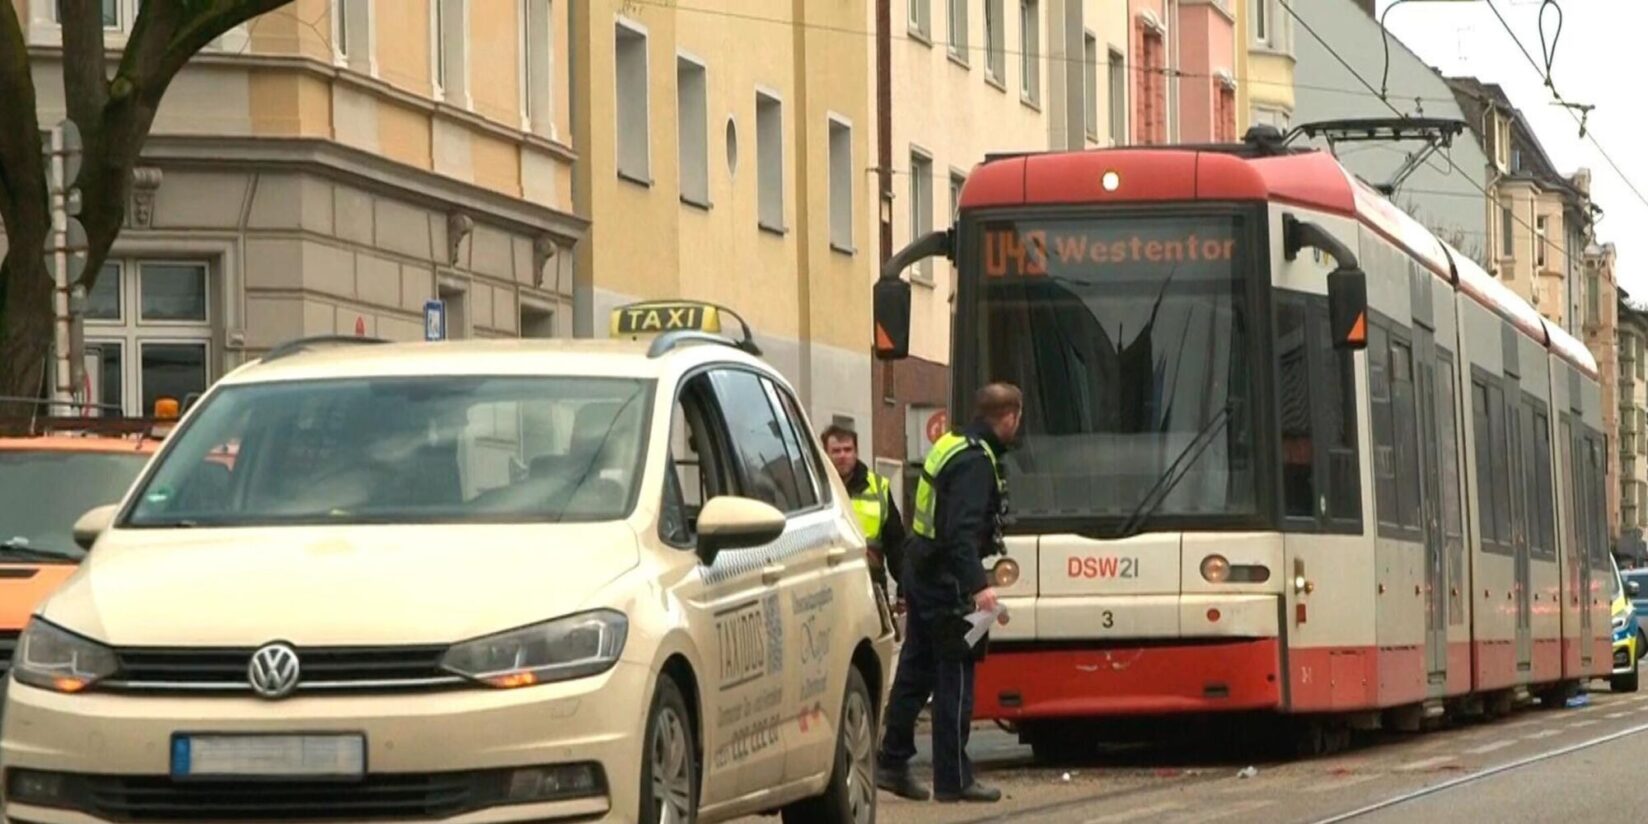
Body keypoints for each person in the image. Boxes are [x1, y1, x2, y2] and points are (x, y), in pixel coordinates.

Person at [875, 382, 1022, 804]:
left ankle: (892, 759)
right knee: (956, 673)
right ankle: (954, 779)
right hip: (948, 580)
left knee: (916, 668)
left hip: (921, 568)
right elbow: (960, 533)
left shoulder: (953, 443)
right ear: (1010, 417)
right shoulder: (977, 462)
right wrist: (980, 589)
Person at [821, 424, 906, 608]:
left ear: (856, 452)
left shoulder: (878, 488)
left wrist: (905, 587)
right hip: (828, 590)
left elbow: (897, 545)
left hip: (871, 587)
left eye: (848, 450)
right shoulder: (814, 488)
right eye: (836, 451)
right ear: (825, 454)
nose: (843, 455)